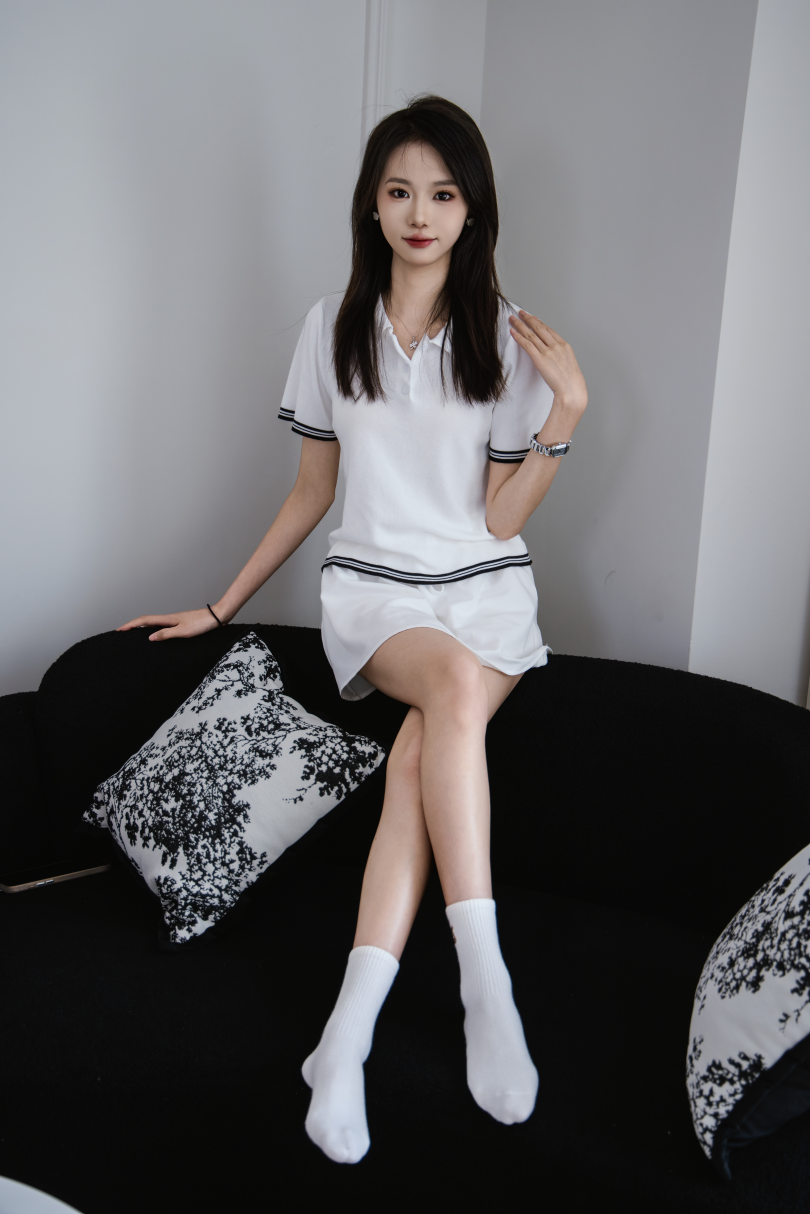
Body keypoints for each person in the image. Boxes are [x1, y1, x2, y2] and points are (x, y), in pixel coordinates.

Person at [119, 95, 587, 1164]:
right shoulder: (332, 325)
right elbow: (311, 490)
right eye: (400, 191)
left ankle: (343, 1039)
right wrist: (222, 605)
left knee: (423, 745)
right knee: (451, 691)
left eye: (444, 194)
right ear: (372, 205)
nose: (421, 213)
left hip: (483, 592)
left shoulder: (507, 332)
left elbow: (500, 521)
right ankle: (486, 981)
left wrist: (562, 416)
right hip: (376, 594)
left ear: (473, 210)